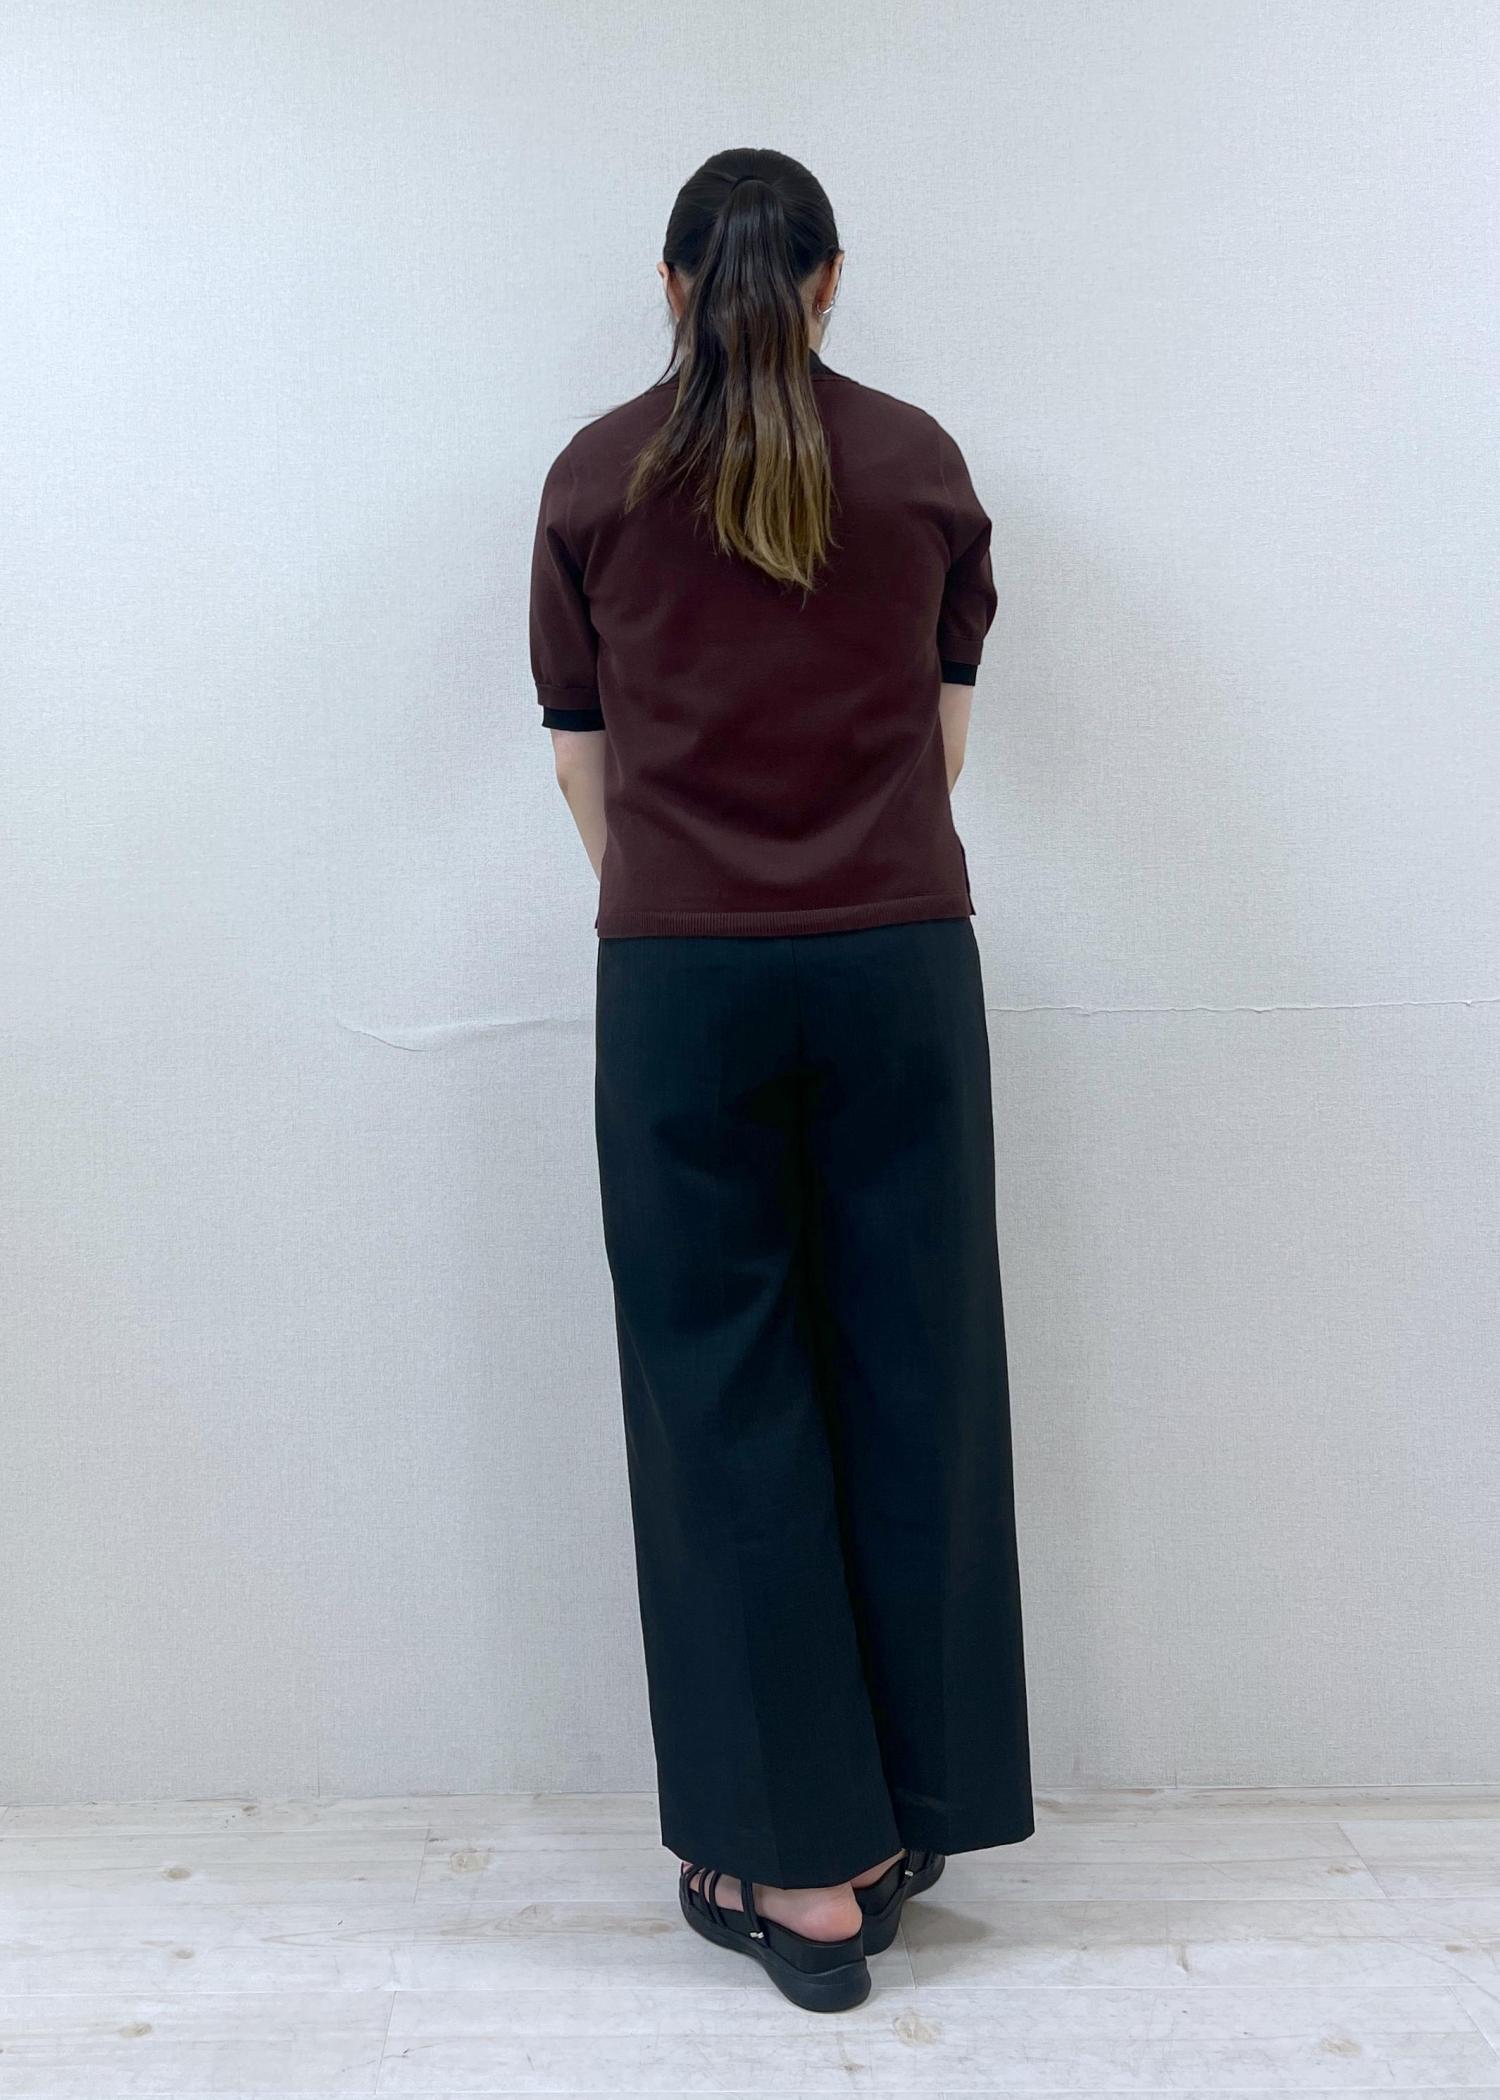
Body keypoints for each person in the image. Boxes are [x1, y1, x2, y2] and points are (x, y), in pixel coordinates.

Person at [528, 147, 1033, 2014]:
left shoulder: (596, 477)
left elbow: (578, 759)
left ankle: (802, 1873)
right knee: (913, 1368)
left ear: (672, 284)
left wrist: (686, 897)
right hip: (900, 961)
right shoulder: (916, 466)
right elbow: (942, 747)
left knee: (721, 1396)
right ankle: (910, 1815)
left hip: (682, 977)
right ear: (830, 282)